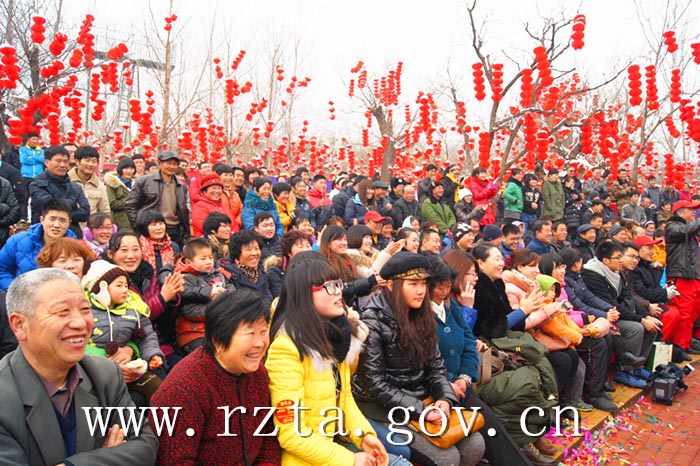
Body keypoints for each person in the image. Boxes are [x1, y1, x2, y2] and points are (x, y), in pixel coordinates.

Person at [0, 268, 158, 465]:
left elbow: (145, 445)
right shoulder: (5, 396)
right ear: (19, 325)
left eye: (85, 309)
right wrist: (109, 458)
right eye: (63, 311)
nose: (80, 323)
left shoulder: (105, 374)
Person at [353, 251, 485, 466]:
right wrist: (422, 411)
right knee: (447, 458)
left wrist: (445, 398)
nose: (421, 291)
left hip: (422, 399)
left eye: (423, 283)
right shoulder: (372, 321)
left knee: (475, 445)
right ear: (392, 285)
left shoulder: (422, 315)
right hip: (384, 408)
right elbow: (375, 385)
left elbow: (436, 367)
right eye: (413, 284)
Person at [266, 252, 397, 466]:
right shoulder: (286, 348)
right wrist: (350, 459)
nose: (338, 292)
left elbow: (344, 398)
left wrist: (364, 436)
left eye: (337, 284)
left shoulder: (336, 336)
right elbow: (291, 433)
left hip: (330, 446)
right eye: (328, 286)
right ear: (304, 296)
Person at [151, 288, 282, 465]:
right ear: (218, 340)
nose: (260, 343)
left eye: (263, 331)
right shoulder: (183, 390)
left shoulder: (257, 374)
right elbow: (174, 460)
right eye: (250, 334)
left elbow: (267, 437)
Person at [426, 254, 535, 465]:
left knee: (494, 428)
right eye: (440, 287)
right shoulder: (421, 315)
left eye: (448, 286)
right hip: (440, 390)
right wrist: (449, 383)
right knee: (487, 429)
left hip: (462, 383)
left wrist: (465, 377)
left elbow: (468, 342)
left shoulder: (450, 306)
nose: (445, 291)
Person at [470, 243, 561, 459]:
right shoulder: (477, 289)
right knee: (526, 379)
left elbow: (510, 320)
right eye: (496, 258)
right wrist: (523, 311)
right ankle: (525, 437)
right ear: (480, 263)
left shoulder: (497, 283)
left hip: (506, 340)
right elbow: (491, 328)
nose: (501, 262)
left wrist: (525, 312)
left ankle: (537, 429)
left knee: (546, 364)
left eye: (502, 258)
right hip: (490, 349)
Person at [81, 260, 164, 404]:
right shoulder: (85, 311)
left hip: (129, 367)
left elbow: (146, 336)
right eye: (119, 286)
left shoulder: (133, 309)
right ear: (101, 288)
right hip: (95, 370)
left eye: (126, 285)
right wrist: (107, 362)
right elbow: (80, 344)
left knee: (158, 387)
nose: (125, 289)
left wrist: (153, 355)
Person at [581, 240, 658, 386]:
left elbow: (628, 296)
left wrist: (645, 315)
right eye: (618, 257)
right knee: (636, 328)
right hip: (602, 315)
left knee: (653, 325)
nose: (621, 260)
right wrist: (640, 320)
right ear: (605, 260)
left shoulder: (615, 272)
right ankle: (624, 371)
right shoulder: (593, 275)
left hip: (615, 312)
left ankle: (636, 367)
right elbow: (609, 304)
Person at [173, 238, 234, 354]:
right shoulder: (184, 277)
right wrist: (209, 293)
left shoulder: (218, 273)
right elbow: (187, 303)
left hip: (218, 327)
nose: (208, 262)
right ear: (188, 262)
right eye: (203, 259)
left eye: (210, 257)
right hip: (193, 331)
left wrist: (226, 294)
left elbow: (230, 286)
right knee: (205, 355)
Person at [0, 199, 76, 291]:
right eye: (52, 219)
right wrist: (16, 291)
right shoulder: (17, 241)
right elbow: (2, 269)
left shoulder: (76, 248)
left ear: (69, 223)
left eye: (62, 220)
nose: (56, 225)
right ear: (42, 220)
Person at [661, 200, 700, 360]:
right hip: (680, 276)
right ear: (680, 212)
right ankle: (678, 346)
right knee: (683, 311)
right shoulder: (672, 226)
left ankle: (686, 342)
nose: (694, 213)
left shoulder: (688, 229)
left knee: (692, 311)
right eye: (691, 210)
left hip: (691, 275)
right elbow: (685, 231)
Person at [126, 151, 190, 247]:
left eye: (175, 164)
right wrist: (138, 225)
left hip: (173, 229)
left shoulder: (181, 185)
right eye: (168, 163)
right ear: (160, 163)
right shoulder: (145, 181)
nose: (172, 167)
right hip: (151, 228)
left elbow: (183, 209)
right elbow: (130, 204)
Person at [29, 146, 90, 239]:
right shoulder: (37, 184)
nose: (62, 165)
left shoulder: (75, 188)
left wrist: (57, 211)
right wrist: (72, 204)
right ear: (47, 162)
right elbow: (46, 204)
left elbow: (85, 213)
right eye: (58, 161)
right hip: (43, 238)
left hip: (72, 237)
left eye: (65, 162)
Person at [319, 225, 379, 309]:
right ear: (328, 243)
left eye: (345, 239)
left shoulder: (348, 260)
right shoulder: (323, 263)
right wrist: (369, 281)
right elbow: (340, 289)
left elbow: (356, 291)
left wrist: (373, 284)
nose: (344, 243)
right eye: (339, 239)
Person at [219, 229, 273, 300]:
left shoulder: (262, 274)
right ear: (237, 253)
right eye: (249, 249)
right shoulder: (226, 274)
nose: (254, 253)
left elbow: (268, 299)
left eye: (257, 248)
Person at [263, 229, 313, 298]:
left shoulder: (316, 267)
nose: (306, 250)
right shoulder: (276, 271)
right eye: (300, 246)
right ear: (289, 252)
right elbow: (280, 296)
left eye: (308, 246)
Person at [68, 146, 110, 217]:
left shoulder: (100, 186)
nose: (91, 164)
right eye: (87, 160)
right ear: (77, 161)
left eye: (94, 161)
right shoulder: (66, 182)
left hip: (91, 223)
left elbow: (105, 212)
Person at [105, 156, 136, 231]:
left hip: (135, 220)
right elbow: (112, 203)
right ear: (121, 169)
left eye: (131, 169)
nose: (129, 171)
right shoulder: (113, 183)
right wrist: (130, 201)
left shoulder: (136, 183)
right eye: (126, 168)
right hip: (119, 221)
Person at [19, 132, 44, 220]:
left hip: (38, 176)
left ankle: (35, 217)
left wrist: (31, 157)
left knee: (36, 198)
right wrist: (36, 159)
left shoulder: (41, 150)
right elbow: (23, 160)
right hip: (27, 176)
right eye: (33, 139)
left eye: (37, 139)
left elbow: (42, 159)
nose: (35, 141)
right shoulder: (23, 149)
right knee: (25, 197)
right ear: (29, 139)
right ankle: (23, 217)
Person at [0, 174, 20, 249]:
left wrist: (2, 222)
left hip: (2, 238)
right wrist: (5, 207)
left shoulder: (4, 183)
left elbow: (16, 211)